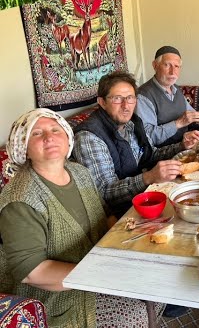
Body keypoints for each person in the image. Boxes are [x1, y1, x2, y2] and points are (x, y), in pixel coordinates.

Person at [0, 109, 156, 327]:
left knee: (154, 278)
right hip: (55, 295)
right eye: (36, 133)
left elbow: (105, 215)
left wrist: (124, 243)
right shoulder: (21, 200)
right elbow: (32, 273)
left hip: (96, 263)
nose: (49, 137)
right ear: (23, 147)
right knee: (133, 315)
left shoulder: (79, 171)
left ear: (67, 138)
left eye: (55, 130)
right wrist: (99, 273)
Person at [72, 71, 199, 217]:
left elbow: (150, 154)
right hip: (120, 214)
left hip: (143, 197)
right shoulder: (89, 137)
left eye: (130, 98)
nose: (126, 106)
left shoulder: (131, 123)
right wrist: (149, 177)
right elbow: (106, 193)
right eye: (117, 99)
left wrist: (181, 146)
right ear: (102, 102)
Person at [136, 46, 199, 148]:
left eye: (176, 66)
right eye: (167, 65)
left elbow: (191, 115)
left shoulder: (176, 89)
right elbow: (148, 137)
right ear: (155, 65)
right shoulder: (143, 96)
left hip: (185, 145)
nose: (173, 72)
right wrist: (178, 123)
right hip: (164, 153)